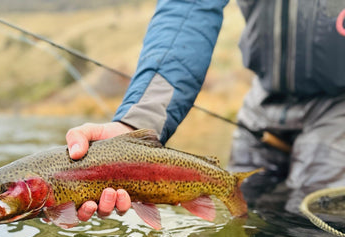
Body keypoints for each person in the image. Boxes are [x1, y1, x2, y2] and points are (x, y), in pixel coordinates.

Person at [65, 0, 345, 223]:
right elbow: (188, 11)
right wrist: (135, 124)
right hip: (263, 99)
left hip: (340, 102)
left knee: (316, 225)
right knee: (245, 223)